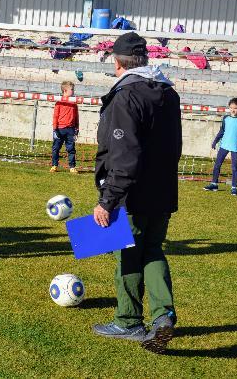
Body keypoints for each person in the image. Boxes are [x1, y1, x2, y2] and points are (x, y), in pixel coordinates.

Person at [91, 32, 182, 354]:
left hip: (132, 194)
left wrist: (108, 200)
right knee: (153, 251)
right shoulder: (168, 93)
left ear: (117, 62)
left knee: (128, 254)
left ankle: (128, 321)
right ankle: (163, 315)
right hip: (163, 190)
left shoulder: (126, 95)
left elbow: (124, 154)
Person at [204, 97, 237, 196]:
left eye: (235, 108)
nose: (233, 110)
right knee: (217, 165)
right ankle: (214, 184)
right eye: (231, 108)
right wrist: (215, 141)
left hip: (235, 148)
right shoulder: (226, 118)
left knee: (235, 168)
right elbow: (222, 131)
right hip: (224, 146)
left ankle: (234, 187)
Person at [50, 81, 80, 174]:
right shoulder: (59, 102)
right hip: (60, 129)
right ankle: (54, 165)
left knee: (71, 149)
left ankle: (72, 167)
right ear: (65, 90)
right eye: (72, 89)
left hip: (70, 129)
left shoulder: (74, 103)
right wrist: (55, 129)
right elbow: (55, 116)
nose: (73, 91)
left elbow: (76, 116)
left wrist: (77, 128)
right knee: (56, 148)